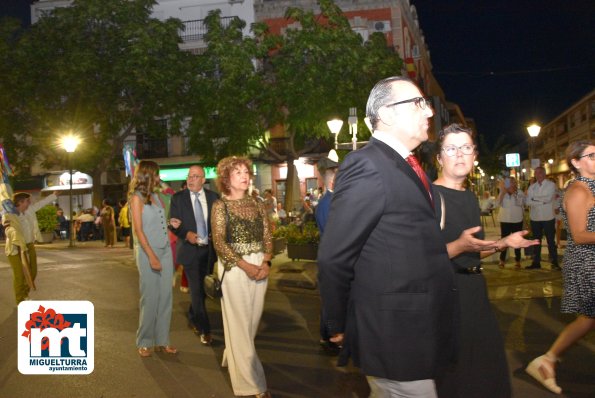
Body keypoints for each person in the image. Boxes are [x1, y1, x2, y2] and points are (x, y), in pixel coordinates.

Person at [318, 76, 457, 397]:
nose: (429, 113)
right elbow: (334, 257)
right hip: (395, 334)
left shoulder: (406, 164)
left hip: (415, 329)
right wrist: (337, 322)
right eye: (418, 103)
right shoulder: (367, 164)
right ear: (388, 113)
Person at [432, 123, 538, 398]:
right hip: (446, 296)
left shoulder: (468, 197)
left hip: (475, 291)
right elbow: (417, 259)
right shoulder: (430, 198)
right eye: (451, 149)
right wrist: (458, 245)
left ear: (475, 155)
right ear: (439, 158)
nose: (459, 154)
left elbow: (473, 250)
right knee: (456, 377)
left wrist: (503, 243)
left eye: (466, 148)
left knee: (487, 372)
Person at [526, 140, 595, 394]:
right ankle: (547, 359)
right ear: (576, 163)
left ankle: (547, 360)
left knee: (588, 320)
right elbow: (578, 235)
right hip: (587, 262)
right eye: (591, 155)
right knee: (587, 318)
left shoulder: (592, 187)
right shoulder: (578, 190)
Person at [211, 156, 272, 398]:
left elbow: (267, 235)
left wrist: (266, 261)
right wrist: (245, 265)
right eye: (238, 172)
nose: (245, 175)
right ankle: (252, 385)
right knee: (240, 327)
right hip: (234, 267)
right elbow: (219, 242)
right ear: (226, 178)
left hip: (260, 265)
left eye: (246, 171)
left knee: (249, 325)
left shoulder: (257, 203)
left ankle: (232, 352)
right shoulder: (220, 206)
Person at [129, 160, 177, 357]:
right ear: (148, 175)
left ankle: (162, 340)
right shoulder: (136, 198)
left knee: (166, 297)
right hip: (149, 252)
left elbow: (157, 221)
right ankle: (145, 340)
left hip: (165, 250)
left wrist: (169, 222)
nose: (159, 178)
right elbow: (139, 230)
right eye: (156, 174)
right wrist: (151, 256)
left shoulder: (156, 196)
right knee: (150, 298)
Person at [169, 165, 219, 345]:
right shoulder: (178, 198)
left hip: (209, 252)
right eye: (189, 176)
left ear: (203, 180)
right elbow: (173, 224)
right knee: (197, 291)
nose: (191, 179)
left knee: (203, 290)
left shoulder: (214, 198)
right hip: (190, 252)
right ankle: (204, 329)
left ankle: (192, 314)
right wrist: (186, 234)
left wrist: (217, 233)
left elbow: (219, 222)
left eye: (196, 176)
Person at [2, 191, 58, 304]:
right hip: (15, 247)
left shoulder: (29, 211)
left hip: (29, 246)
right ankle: (20, 300)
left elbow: (41, 203)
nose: (30, 203)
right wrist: (13, 234)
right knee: (19, 275)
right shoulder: (8, 214)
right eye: (27, 201)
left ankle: (25, 294)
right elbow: (7, 227)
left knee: (33, 272)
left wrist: (54, 195)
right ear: (20, 202)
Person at [314, 156, 339, 353]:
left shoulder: (331, 200)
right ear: (332, 181)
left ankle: (328, 336)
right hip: (332, 259)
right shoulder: (327, 203)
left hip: (332, 258)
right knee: (331, 301)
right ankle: (329, 338)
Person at [526, 166, 560, 270]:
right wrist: (541, 201)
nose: (537, 174)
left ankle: (554, 262)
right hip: (535, 217)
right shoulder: (532, 187)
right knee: (536, 241)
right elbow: (528, 201)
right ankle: (536, 262)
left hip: (548, 217)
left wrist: (534, 199)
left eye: (540, 172)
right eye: (536, 173)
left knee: (550, 241)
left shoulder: (551, 185)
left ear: (544, 174)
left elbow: (549, 199)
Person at [496, 177, 526, 268]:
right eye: (508, 182)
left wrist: (513, 193)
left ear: (515, 183)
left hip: (516, 219)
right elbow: (497, 204)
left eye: (512, 182)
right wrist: (503, 192)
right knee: (504, 240)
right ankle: (502, 260)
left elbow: (520, 203)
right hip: (505, 219)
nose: (510, 184)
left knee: (517, 240)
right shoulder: (502, 192)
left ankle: (517, 260)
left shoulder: (519, 192)